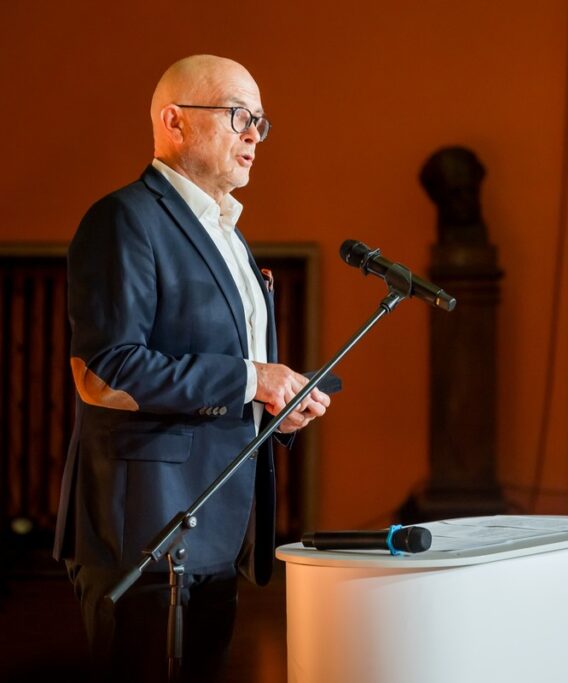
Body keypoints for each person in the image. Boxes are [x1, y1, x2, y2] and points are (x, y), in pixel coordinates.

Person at [52, 55, 331, 682]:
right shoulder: (125, 219)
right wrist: (251, 379)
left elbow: (235, 375)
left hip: (219, 522)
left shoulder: (231, 236)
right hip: (145, 526)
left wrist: (275, 407)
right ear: (174, 121)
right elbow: (107, 370)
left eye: (260, 120)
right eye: (238, 115)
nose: (254, 134)